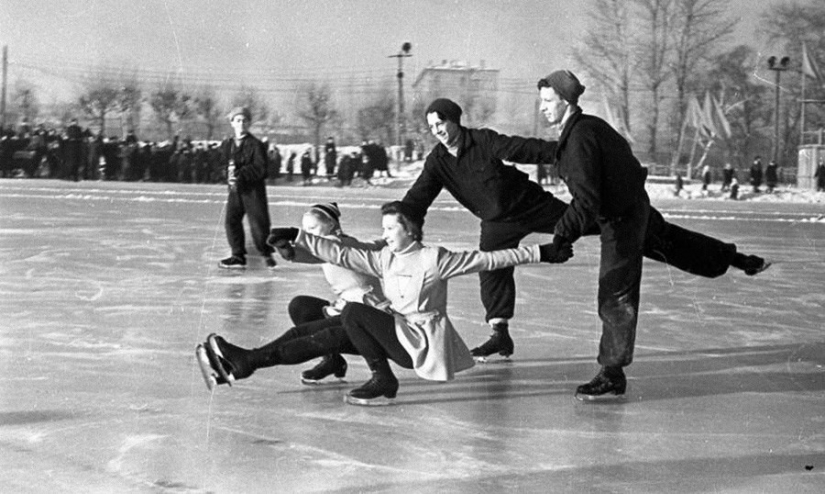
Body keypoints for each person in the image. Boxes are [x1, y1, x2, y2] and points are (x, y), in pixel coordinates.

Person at [536, 70, 770, 401]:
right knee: (673, 243)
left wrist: (562, 237)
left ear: (566, 101)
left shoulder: (580, 138)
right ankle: (734, 258)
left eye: (547, 101)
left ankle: (612, 374)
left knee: (615, 292)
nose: (542, 108)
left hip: (620, 219)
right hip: (634, 207)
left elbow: (587, 200)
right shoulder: (592, 127)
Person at [258, 201, 572, 405]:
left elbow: (489, 259)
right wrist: (295, 242)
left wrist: (542, 252)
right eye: (383, 229)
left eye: (391, 228)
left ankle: (381, 377)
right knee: (311, 318)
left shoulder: (430, 258)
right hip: (376, 322)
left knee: (346, 316)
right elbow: (332, 254)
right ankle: (262, 360)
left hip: (408, 335)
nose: (384, 235)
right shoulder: (369, 254)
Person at [196, 203, 387, 390]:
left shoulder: (342, 244)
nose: (308, 232)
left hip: (365, 315)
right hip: (343, 308)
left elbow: (330, 250)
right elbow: (315, 254)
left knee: (301, 335)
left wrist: (296, 241)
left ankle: (248, 360)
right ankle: (332, 360)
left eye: (312, 227)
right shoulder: (329, 246)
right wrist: (289, 250)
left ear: (332, 225)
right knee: (301, 306)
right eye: (305, 229)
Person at [218, 107, 276, 270]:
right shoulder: (227, 144)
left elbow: (261, 168)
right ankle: (237, 256)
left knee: (258, 223)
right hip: (235, 191)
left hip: (252, 191)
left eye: (244, 121)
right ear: (232, 123)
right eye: (238, 120)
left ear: (249, 123)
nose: (241, 124)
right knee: (231, 221)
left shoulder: (255, 144)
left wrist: (242, 173)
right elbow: (221, 163)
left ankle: (266, 255)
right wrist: (225, 173)